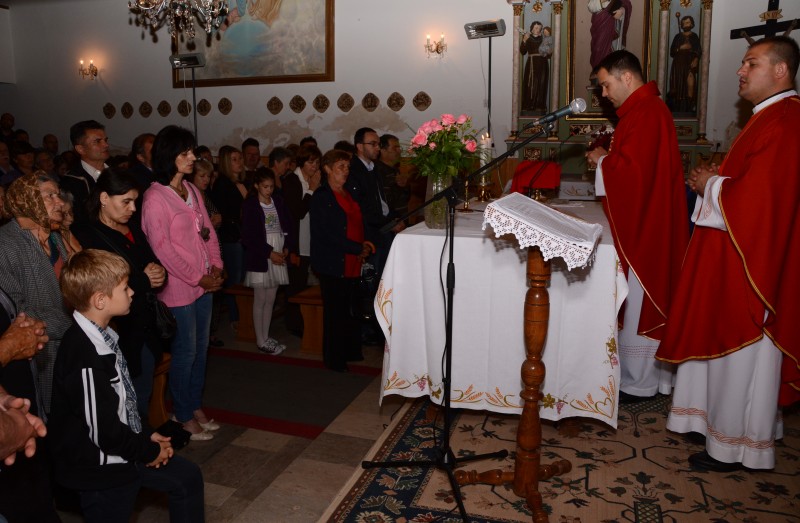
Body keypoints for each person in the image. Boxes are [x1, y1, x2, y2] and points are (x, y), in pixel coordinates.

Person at [656, 36, 800, 472]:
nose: (740, 71)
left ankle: (737, 445)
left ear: (781, 70)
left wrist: (710, 185)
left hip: (753, 268)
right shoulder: (768, 117)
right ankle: (720, 428)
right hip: (736, 257)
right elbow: (754, 183)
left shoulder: (786, 121)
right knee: (726, 352)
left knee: (743, 358)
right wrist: (719, 178)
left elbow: (760, 203)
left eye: (751, 63)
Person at [47, 249, 205, 522]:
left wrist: (147, 435)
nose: (132, 292)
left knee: (186, 478)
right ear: (100, 300)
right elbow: (104, 432)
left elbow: (124, 401)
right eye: (124, 288)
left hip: (124, 448)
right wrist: (148, 450)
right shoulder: (84, 355)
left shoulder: (105, 335)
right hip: (100, 468)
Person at [585, 50, 689, 402]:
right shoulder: (640, 111)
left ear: (626, 77)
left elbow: (634, 175)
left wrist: (603, 160)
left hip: (649, 227)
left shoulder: (647, 112)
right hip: (645, 220)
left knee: (642, 298)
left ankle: (639, 381)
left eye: (606, 85)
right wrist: (608, 161)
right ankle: (635, 376)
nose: (604, 94)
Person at [142, 125, 224, 441]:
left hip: (204, 283)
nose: (192, 157)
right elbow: (163, 249)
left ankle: (194, 406)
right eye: (186, 152)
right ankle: (183, 414)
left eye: (191, 151)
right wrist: (197, 276)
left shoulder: (190, 189)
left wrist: (216, 266)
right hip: (178, 286)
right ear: (169, 155)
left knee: (201, 350)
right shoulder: (155, 198)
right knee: (185, 352)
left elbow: (208, 232)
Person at [71, 168, 168, 421]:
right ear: (104, 198)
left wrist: (159, 272)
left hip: (145, 324)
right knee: (123, 400)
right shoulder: (86, 234)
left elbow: (151, 261)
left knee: (142, 391)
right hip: (117, 330)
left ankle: (142, 436)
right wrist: (144, 279)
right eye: (126, 201)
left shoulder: (132, 227)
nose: (133, 208)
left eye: (135, 201)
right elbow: (96, 284)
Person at [0, 172, 75, 415]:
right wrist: (76, 321)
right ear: (26, 199)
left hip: (68, 350)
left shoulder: (55, 237)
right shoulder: (5, 244)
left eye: (58, 195)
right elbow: (18, 314)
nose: (59, 202)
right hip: (40, 355)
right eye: (49, 196)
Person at [310, 149, 374, 372]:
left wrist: (365, 243)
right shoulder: (322, 197)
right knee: (335, 312)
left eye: (347, 167)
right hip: (333, 262)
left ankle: (351, 351)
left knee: (351, 309)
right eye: (340, 167)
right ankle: (335, 359)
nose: (346, 171)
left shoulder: (348, 193)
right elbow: (326, 234)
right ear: (327, 169)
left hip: (353, 259)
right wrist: (357, 248)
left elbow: (359, 222)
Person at [241, 169, 295, 355]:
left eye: (272, 186)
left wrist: (287, 246)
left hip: (278, 249)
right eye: (265, 187)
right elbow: (249, 236)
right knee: (260, 298)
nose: (269, 190)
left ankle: (265, 336)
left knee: (271, 298)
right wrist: (269, 253)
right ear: (257, 186)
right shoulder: (250, 205)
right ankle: (260, 339)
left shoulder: (278, 201)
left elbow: (287, 225)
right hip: (261, 254)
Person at [281, 144, 321, 337]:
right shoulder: (292, 180)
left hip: (312, 239)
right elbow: (297, 212)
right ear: (301, 163)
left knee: (307, 285)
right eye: (311, 162)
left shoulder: (315, 180)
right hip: (297, 241)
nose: (315, 166)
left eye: (317, 162)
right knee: (295, 285)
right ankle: (294, 325)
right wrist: (312, 190)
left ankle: (307, 322)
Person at [210, 145, 247, 334]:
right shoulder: (222, 184)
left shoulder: (241, 183)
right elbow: (222, 213)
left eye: (240, 158)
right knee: (234, 279)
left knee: (243, 277)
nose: (239, 162)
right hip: (231, 237)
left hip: (242, 236)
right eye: (234, 159)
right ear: (225, 162)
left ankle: (244, 315)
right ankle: (235, 316)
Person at [60, 120, 110, 225]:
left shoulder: (118, 174)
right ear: (81, 149)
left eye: (105, 140)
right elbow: (77, 222)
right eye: (97, 141)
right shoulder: (71, 182)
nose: (106, 145)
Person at [668, 15, 702, 113]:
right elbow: (672, 51)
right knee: (678, 85)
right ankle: (678, 107)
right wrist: (681, 48)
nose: (685, 25)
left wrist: (696, 59)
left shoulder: (694, 36)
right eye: (684, 23)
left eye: (687, 22)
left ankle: (690, 107)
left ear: (691, 24)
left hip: (689, 63)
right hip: (678, 64)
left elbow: (698, 50)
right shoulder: (678, 36)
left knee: (690, 84)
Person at [588, 0, 633, 71]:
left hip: (613, 28)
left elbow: (626, 4)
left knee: (612, 55)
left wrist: (621, 11)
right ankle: (598, 71)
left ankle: (609, 72)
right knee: (598, 50)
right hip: (600, 25)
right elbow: (591, 6)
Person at [520, 21, 551, 112]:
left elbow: (549, 55)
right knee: (530, 84)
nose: (538, 30)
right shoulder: (528, 38)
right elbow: (523, 52)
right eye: (536, 28)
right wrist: (524, 40)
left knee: (542, 84)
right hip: (532, 64)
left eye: (539, 28)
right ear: (532, 28)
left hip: (543, 64)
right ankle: (529, 105)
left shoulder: (544, 39)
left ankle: (540, 106)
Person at [378, 134, 411, 220]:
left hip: (402, 218)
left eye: (399, 147)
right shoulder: (378, 171)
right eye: (395, 148)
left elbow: (405, 198)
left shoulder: (395, 169)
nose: (399, 151)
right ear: (383, 150)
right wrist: (398, 185)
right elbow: (384, 202)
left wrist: (405, 185)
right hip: (391, 221)